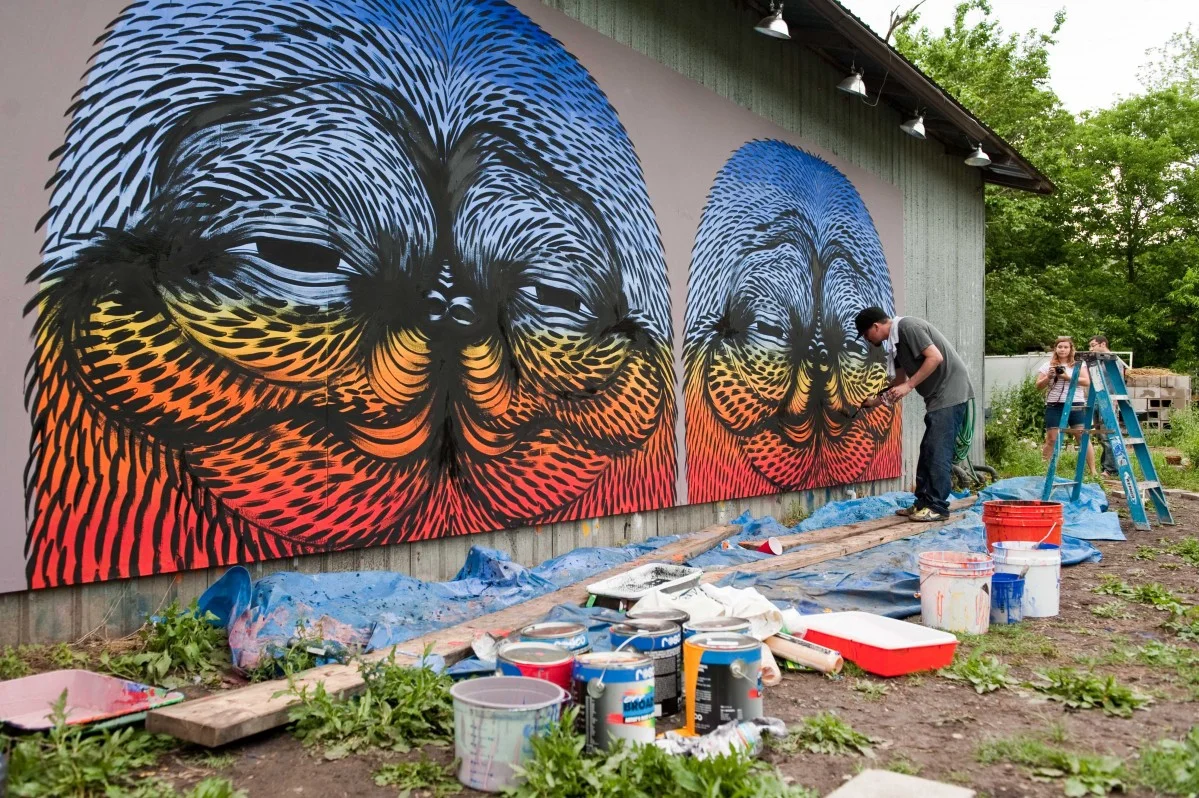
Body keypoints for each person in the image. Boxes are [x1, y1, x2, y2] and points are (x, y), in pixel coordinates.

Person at [855, 307, 976, 523]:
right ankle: (922, 503)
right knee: (928, 449)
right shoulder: (895, 346)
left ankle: (937, 507)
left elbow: (935, 357)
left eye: (866, 335)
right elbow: (897, 383)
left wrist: (909, 385)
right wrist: (873, 402)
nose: (867, 339)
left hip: (950, 393)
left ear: (876, 326)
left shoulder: (907, 327)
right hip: (938, 397)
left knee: (938, 450)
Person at [1037, 336, 1097, 477]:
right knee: (1052, 438)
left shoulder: (1078, 365)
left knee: (1082, 436)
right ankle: (1044, 472)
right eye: (1060, 347)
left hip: (1075, 404)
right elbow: (1038, 386)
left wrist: (1066, 376)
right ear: (1055, 349)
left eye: (1065, 347)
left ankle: (1093, 471)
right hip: (1054, 404)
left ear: (1071, 349)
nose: (1062, 350)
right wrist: (1049, 377)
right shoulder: (1047, 365)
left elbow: (1086, 382)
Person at [1088, 335, 1129, 476]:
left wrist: (1116, 398)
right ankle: (1106, 466)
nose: (1091, 348)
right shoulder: (1096, 360)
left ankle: (1111, 470)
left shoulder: (1113, 359)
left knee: (1108, 435)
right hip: (1096, 399)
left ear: (1103, 344)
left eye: (1093, 345)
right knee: (1100, 435)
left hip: (1109, 399)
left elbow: (1119, 381)